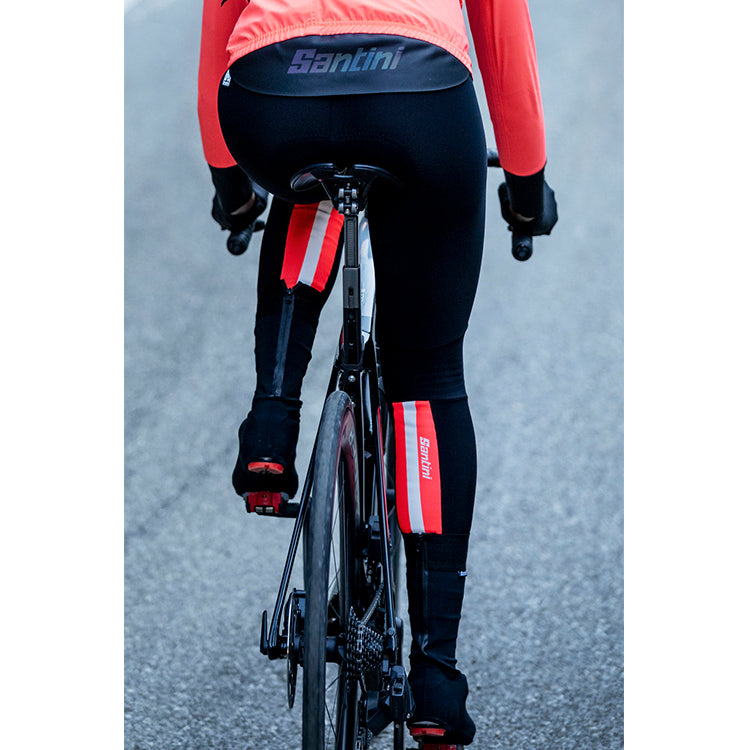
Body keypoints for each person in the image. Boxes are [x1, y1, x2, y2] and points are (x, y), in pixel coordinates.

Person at [198, 0, 557, 744]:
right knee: (427, 377)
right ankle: (435, 677)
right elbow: (503, 35)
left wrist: (227, 178)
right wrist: (526, 183)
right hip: (419, 96)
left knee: (305, 186)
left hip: (271, 92)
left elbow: (217, 21)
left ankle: (272, 418)